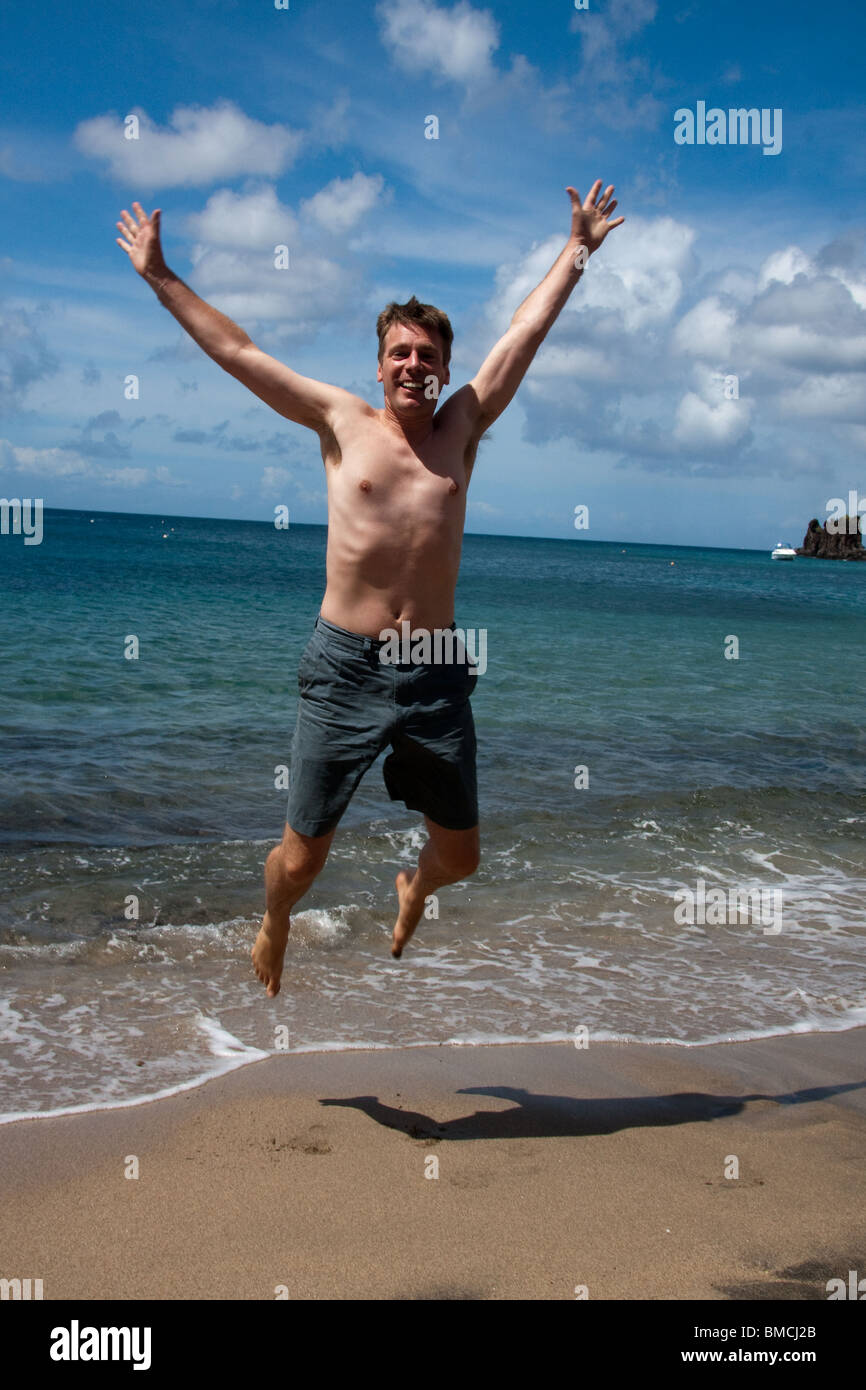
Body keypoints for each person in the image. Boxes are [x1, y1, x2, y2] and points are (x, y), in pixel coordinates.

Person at [116, 181, 625, 996]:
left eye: (428, 355)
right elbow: (241, 352)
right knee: (300, 860)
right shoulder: (340, 422)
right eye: (400, 353)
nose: (414, 366)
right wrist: (159, 275)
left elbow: (524, 335)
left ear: (445, 368)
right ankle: (276, 917)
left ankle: (413, 887)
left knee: (462, 856)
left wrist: (578, 250)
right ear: (379, 364)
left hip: (432, 666)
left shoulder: (465, 427)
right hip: (343, 667)